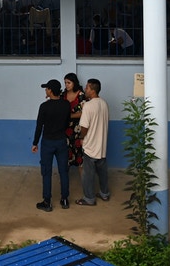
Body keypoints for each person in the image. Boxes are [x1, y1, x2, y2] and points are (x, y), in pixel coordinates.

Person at [31, 78, 72, 211]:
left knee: (46, 172)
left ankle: (47, 202)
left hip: (48, 142)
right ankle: (65, 200)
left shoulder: (44, 106)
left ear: (50, 91)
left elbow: (39, 127)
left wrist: (35, 143)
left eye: (47, 88)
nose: (45, 90)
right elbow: (67, 123)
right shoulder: (66, 105)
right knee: (63, 171)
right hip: (61, 141)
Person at [76, 78, 111, 206]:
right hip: (102, 145)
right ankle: (104, 193)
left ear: (92, 90)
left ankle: (89, 198)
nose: (85, 90)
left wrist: (80, 137)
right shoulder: (104, 103)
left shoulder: (88, 106)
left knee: (87, 175)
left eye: (87, 88)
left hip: (90, 146)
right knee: (103, 173)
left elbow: (84, 127)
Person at [62, 73, 85, 168]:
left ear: (74, 83)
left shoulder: (81, 95)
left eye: (69, 82)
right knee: (65, 155)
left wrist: (70, 116)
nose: (66, 85)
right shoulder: (63, 95)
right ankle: (64, 181)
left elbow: (85, 113)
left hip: (77, 130)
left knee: (80, 157)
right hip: (65, 129)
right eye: (65, 83)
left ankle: (84, 182)